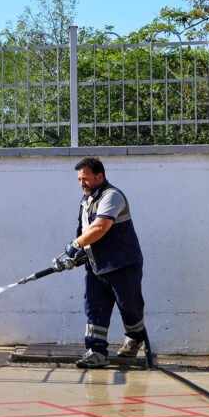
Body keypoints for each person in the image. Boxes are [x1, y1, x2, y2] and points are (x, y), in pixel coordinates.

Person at [62, 157, 148, 369]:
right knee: (94, 308)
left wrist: (76, 244)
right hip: (97, 267)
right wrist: (81, 252)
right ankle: (96, 352)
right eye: (79, 180)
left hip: (123, 265)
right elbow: (86, 231)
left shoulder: (113, 197)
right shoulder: (86, 201)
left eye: (86, 179)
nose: (82, 184)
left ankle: (135, 338)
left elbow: (100, 228)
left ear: (99, 176)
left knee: (130, 308)